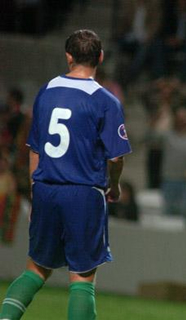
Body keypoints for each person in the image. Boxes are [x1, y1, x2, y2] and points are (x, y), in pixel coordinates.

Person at [0, 29, 131, 320]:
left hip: (46, 188)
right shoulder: (105, 101)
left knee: (35, 269)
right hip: (83, 192)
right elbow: (116, 156)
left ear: (68, 56)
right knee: (82, 279)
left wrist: (37, 193)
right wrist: (115, 186)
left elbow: (34, 148)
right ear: (100, 57)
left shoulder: (46, 91)